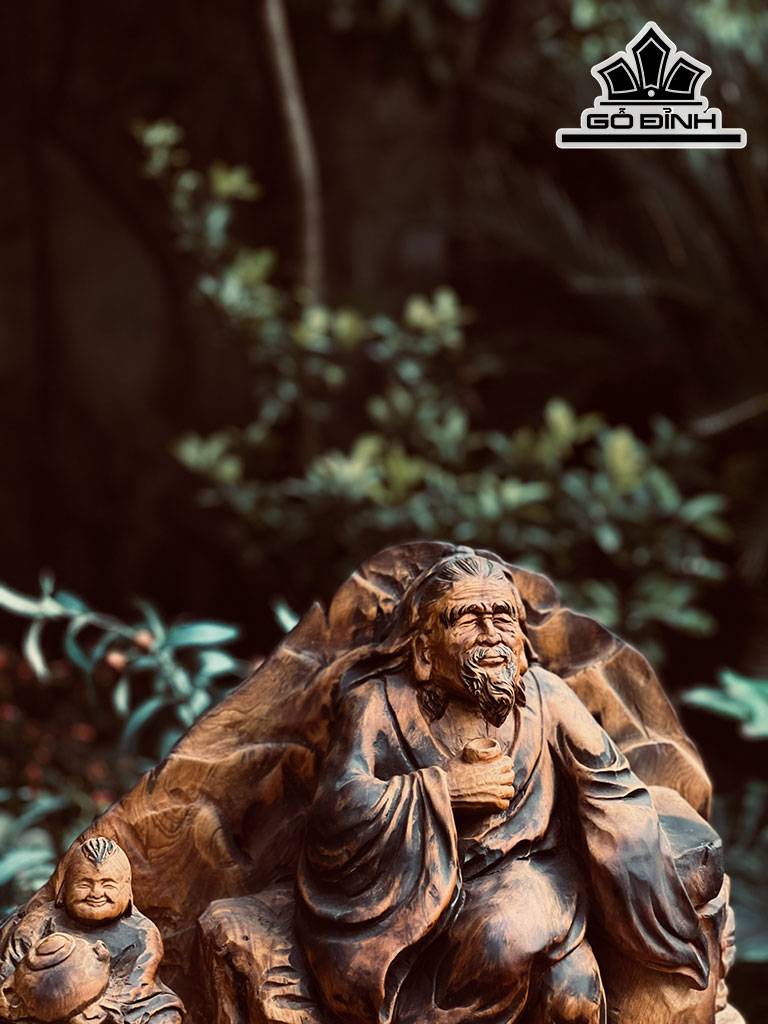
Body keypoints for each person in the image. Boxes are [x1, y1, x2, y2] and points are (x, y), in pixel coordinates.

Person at [296, 553, 710, 1024]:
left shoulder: (547, 697)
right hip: (417, 906)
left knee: (571, 996)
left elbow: (612, 789)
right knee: (502, 936)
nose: (491, 633)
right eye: (468, 618)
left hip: (536, 882)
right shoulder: (379, 704)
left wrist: (654, 870)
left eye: (503, 617)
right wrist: (442, 791)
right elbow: (334, 814)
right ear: (425, 650)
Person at [0, 837, 183, 1024]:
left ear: (128, 890)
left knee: (166, 1012)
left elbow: (134, 986)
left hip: (109, 1008)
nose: (96, 893)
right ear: (64, 888)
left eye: (108, 885)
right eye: (84, 884)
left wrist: (91, 1010)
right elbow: (9, 967)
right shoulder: (42, 919)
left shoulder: (142, 933)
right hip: (38, 1004)